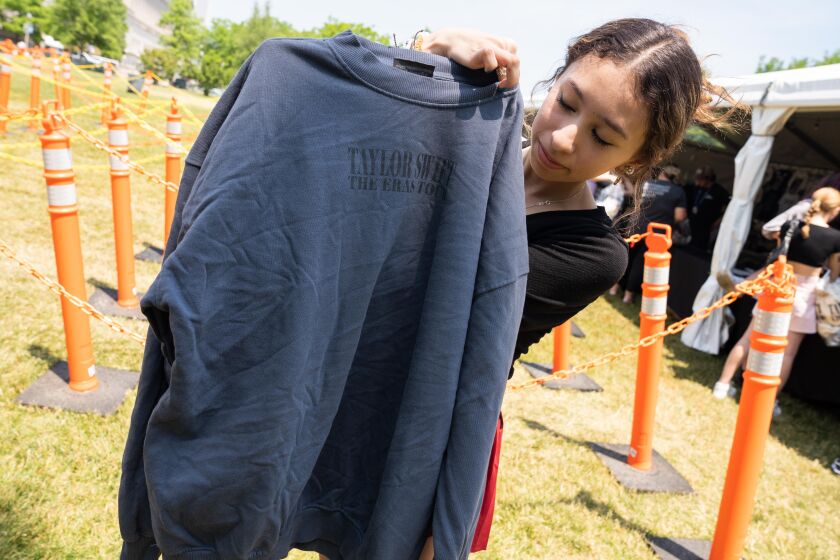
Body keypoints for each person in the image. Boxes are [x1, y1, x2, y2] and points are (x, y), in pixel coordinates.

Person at [392, 19, 741, 560]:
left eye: (603, 137)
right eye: (567, 101)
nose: (561, 137)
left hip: (432, 435)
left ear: (634, 161)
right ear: (553, 79)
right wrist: (430, 57)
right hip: (347, 372)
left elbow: (437, 293)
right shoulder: (468, 133)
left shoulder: (592, 256)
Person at [713, 188, 840, 417]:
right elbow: (833, 273)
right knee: (787, 353)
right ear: (836, 210)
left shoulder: (789, 227)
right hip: (805, 294)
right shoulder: (835, 238)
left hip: (776, 287)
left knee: (748, 339)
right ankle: (768, 402)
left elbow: (776, 256)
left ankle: (722, 384)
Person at [614, 164, 687, 304]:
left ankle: (614, 288)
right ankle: (628, 296)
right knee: (640, 264)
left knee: (626, 257)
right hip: (656, 234)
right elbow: (680, 217)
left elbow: (635, 200)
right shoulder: (678, 192)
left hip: (635, 227)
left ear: (662, 173)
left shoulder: (647, 184)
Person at [686, 165, 729, 252]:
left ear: (707, 180)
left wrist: (720, 220)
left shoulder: (720, 192)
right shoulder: (693, 188)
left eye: (699, 179)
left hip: (706, 227)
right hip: (690, 224)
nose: (697, 181)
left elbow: (730, 208)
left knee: (698, 251)